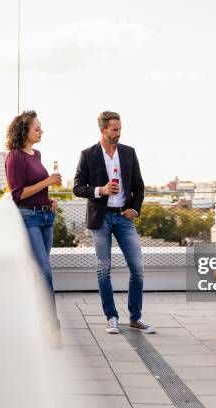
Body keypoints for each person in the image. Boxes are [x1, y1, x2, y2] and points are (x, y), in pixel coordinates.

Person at [73, 111, 155, 334]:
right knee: (103, 269)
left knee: (137, 269)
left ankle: (135, 318)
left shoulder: (128, 153)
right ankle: (111, 317)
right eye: (115, 129)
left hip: (124, 217)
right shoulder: (88, 154)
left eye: (120, 129)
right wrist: (101, 190)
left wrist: (135, 210)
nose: (119, 133)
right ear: (103, 130)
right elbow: (77, 188)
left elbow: (139, 186)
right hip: (101, 218)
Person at [4, 110, 62, 346]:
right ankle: (52, 327)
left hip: (47, 218)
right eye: (37, 128)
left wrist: (49, 200)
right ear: (24, 131)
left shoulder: (36, 154)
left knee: (40, 274)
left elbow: (38, 190)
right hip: (29, 219)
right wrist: (47, 182)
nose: (41, 131)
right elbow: (17, 194)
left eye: (41, 128)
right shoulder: (15, 157)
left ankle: (35, 320)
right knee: (44, 273)